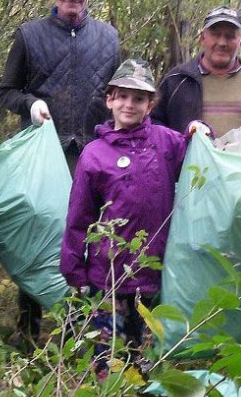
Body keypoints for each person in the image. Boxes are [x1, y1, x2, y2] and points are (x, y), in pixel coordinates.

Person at [0, 0, 120, 348]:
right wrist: (31, 104)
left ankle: (80, 330)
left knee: (90, 240)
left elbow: (117, 98)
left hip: (92, 155)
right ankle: (28, 329)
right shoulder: (30, 36)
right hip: (42, 155)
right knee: (40, 236)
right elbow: (5, 91)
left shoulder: (108, 38)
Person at [60, 59, 188, 377]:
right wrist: (74, 270)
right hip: (108, 278)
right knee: (108, 358)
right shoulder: (94, 154)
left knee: (146, 357)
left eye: (139, 98)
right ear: (110, 100)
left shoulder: (165, 143)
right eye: (123, 96)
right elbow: (79, 217)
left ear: (150, 104)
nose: (129, 104)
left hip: (151, 276)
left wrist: (200, 131)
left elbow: (197, 152)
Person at [152, 6, 241, 143]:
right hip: (191, 164)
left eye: (230, 36)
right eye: (215, 34)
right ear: (202, 38)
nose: (222, 43)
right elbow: (154, 126)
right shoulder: (177, 81)